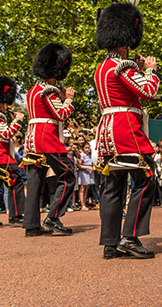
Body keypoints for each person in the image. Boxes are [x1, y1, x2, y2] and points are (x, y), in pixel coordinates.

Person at [94, 2, 160, 259]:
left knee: (113, 185)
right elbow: (148, 92)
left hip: (107, 132)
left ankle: (110, 242)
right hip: (125, 130)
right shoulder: (122, 67)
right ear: (124, 43)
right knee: (146, 177)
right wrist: (150, 70)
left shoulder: (102, 68)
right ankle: (130, 236)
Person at [23, 43, 76, 237]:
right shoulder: (49, 90)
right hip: (46, 137)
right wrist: (68, 99)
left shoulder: (32, 90)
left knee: (36, 181)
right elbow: (61, 114)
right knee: (68, 175)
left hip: (33, 138)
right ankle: (53, 217)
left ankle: (31, 225)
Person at [0, 76, 26, 226]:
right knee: (16, 182)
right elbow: (6, 134)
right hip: (3, 158)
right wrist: (18, 121)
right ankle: (16, 215)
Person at [77, 142, 94, 211]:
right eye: (86, 148)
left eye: (88, 148)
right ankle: (82, 204)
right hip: (83, 173)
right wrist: (87, 167)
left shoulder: (90, 155)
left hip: (89, 173)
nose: (87, 149)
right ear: (83, 148)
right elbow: (79, 165)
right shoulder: (82, 155)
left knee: (86, 189)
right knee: (82, 189)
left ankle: (85, 203)